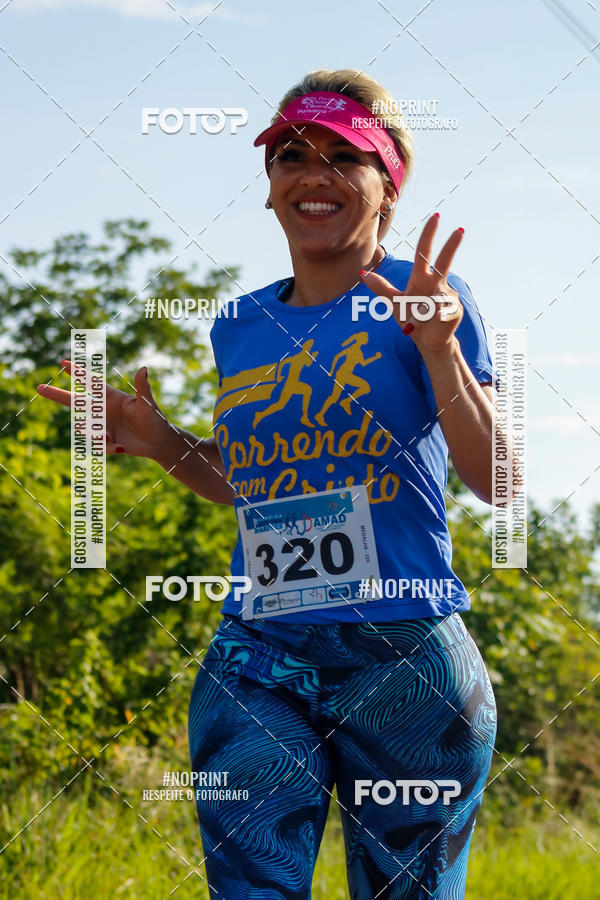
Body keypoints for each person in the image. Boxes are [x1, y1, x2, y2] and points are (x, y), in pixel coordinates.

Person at [38, 68, 499, 900]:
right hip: (260, 653)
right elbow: (243, 480)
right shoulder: (243, 323)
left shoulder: (432, 303)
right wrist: (164, 443)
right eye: (291, 154)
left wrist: (439, 351)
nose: (313, 174)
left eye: (343, 157)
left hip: (402, 656)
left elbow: (497, 477)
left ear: (387, 185)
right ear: (269, 185)